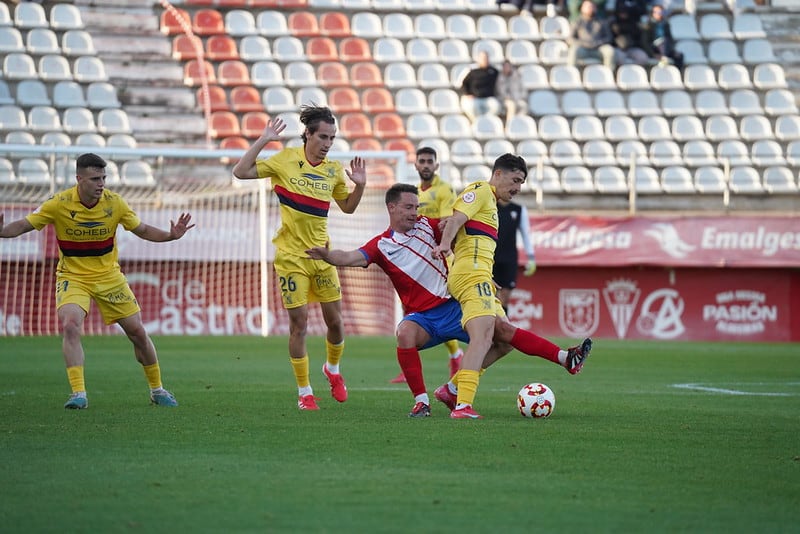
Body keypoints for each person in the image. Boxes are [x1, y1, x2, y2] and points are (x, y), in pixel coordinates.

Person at [307, 183, 592, 418]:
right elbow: (348, 258)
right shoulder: (381, 245)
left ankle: (456, 389)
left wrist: (477, 270)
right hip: (424, 319)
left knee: (504, 337)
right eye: (408, 207)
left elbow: (458, 232)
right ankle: (421, 402)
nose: (414, 212)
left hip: (455, 305)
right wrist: (327, 255)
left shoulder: (428, 226)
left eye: (416, 207)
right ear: (391, 207)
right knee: (404, 333)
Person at [0, 153, 194, 409]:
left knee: (137, 332)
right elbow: (25, 225)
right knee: (70, 326)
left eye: (103, 177)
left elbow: (143, 230)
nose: (101, 183)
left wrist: (171, 236)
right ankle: (78, 393)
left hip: (109, 277)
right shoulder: (58, 203)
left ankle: (157, 389)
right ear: (79, 179)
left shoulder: (115, 203)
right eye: (95, 178)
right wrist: (2, 231)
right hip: (73, 276)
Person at [232, 105, 367, 411]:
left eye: (332, 138)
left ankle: (332, 370)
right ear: (307, 134)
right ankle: (304, 392)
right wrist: (265, 139)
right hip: (291, 258)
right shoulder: (285, 161)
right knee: (300, 325)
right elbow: (240, 172)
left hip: (323, 256)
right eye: (323, 136)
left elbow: (348, 207)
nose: (328, 143)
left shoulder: (333, 170)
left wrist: (360, 186)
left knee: (335, 322)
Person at [431, 154, 526, 419]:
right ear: (498, 174)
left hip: (481, 275)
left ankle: (451, 389)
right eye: (515, 180)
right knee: (482, 337)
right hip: (469, 275)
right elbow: (455, 219)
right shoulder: (481, 190)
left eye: (522, 183)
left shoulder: (492, 206)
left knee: (504, 341)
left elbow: (472, 238)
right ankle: (462, 406)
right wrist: (445, 244)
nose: (518, 188)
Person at [389, 146, 462, 384]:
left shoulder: (443, 190)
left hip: (440, 258)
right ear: (416, 165)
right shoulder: (414, 194)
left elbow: (445, 223)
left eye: (430, 161)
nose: (426, 165)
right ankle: (447, 356)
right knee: (413, 311)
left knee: (434, 309)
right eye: (422, 161)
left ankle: (457, 356)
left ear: (436, 165)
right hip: (416, 260)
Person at [494, 199, 536, 312]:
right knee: (492, 297)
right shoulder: (490, 206)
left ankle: (502, 326)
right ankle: (493, 326)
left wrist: (531, 257)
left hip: (509, 258)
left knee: (505, 296)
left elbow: (525, 234)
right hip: (491, 257)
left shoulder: (519, 209)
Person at [567, 0, 616, 70]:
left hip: (598, 49)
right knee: (573, 50)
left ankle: (608, 75)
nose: (590, 8)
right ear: (582, 8)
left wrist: (598, 43)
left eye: (592, 6)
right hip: (583, 49)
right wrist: (583, 43)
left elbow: (609, 37)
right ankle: (571, 74)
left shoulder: (602, 21)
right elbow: (570, 39)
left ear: (595, 8)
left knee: (609, 51)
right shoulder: (577, 22)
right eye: (587, 7)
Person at [639, 2, 685, 70]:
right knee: (663, 42)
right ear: (653, 13)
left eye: (660, 12)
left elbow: (670, 38)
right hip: (654, 48)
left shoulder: (666, 24)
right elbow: (645, 42)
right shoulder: (648, 26)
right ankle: (663, 59)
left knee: (679, 55)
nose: (659, 14)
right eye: (657, 12)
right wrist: (653, 54)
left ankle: (676, 73)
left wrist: (673, 51)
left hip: (665, 47)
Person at [460, 51, 502, 123]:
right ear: (478, 59)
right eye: (483, 58)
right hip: (475, 98)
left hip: (488, 98)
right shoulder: (471, 70)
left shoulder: (493, 71)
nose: (485, 60)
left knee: (496, 106)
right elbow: (463, 83)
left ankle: (486, 122)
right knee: (472, 107)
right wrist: (467, 94)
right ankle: (477, 123)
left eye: (486, 58)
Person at [610, 0, 650, 66]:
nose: (623, 14)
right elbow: (611, 38)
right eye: (621, 12)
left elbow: (638, 37)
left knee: (642, 58)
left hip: (632, 48)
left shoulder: (634, 24)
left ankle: (636, 75)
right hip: (618, 49)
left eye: (625, 12)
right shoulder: (613, 23)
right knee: (620, 58)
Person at [495, 60, 529, 131]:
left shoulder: (517, 76)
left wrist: (521, 97)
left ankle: (520, 125)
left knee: (523, 106)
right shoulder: (500, 78)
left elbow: (523, 88)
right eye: (505, 67)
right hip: (505, 100)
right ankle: (509, 127)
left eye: (508, 66)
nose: (507, 68)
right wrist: (509, 98)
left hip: (517, 98)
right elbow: (501, 91)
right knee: (511, 106)